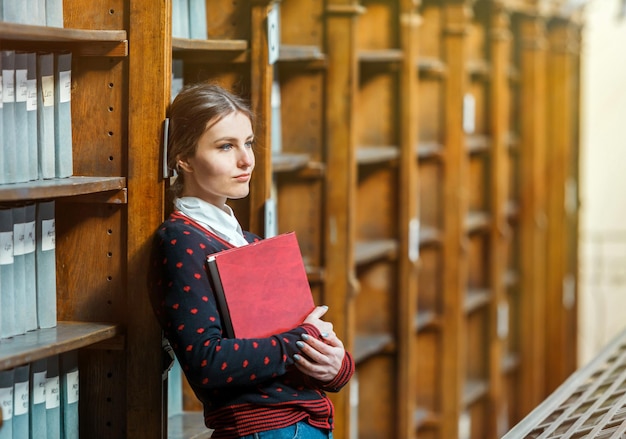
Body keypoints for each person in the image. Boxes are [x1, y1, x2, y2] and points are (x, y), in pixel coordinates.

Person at [149, 82, 354, 439]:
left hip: (301, 423)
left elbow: (292, 348)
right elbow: (207, 361)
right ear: (183, 158)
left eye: (247, 143)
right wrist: (303, 339)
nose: (246, 160)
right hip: (265, 430)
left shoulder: (246, 242)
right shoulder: (181, 240)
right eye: (225, 146)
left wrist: (334, 364)